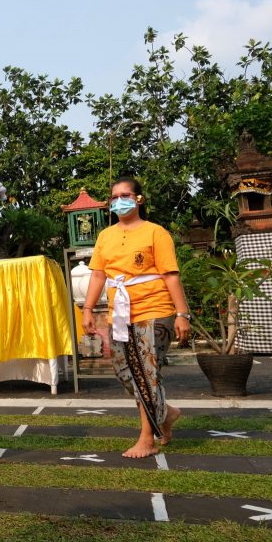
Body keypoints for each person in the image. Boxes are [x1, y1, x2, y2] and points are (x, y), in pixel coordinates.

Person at [82, 177, 191, 458]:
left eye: (126, 194)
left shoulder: (156, 233)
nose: (120, 200)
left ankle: (147, 438)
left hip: (155, 309)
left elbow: (170, 275)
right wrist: (87, 309)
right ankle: (166, 415)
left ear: (139, 199)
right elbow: (97, 274)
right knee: (124, 370)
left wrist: (182, 314)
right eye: (115, 196)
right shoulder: (105, 236)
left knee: (146, 372)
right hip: (121, 312)